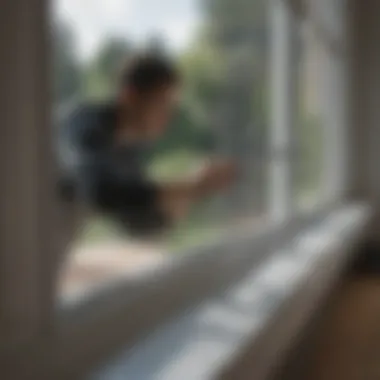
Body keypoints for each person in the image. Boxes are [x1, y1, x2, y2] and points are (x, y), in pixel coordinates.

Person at [57, 54, 235, 236]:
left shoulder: (124, 153)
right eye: (163, 104)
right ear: (131, 96)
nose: (169, 116)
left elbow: (143, 222)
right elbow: (100, 192)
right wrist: (192, 186)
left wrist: (196, 189)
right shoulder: (83, 122)